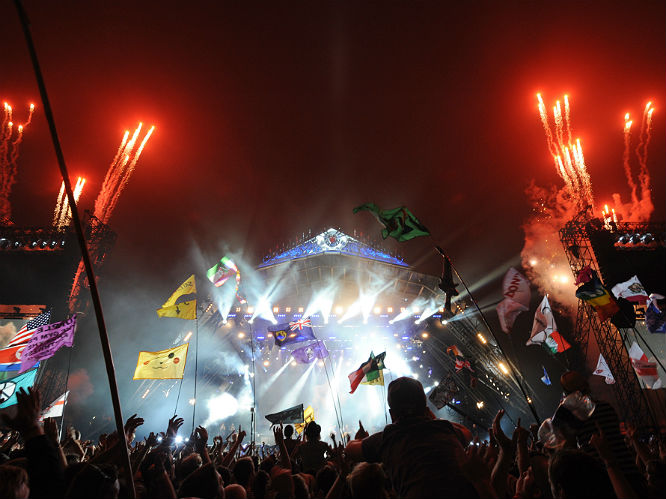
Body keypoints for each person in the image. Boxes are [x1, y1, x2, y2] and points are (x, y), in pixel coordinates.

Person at [345, 376, 478, 498]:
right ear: (425, 409)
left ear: (392, 415)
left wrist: (361, 439)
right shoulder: (443, 429)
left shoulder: (390, 437)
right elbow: (466, 433)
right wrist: (433, 419)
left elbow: (349, 450)